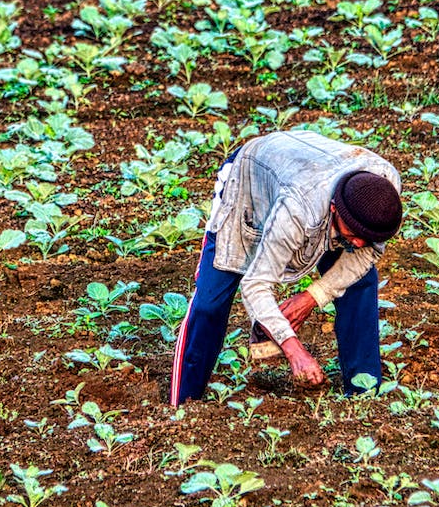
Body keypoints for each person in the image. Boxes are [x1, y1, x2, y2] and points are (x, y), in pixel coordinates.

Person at [169, 130, 403, 406]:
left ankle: (364, 394)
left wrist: (312, 297)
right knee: (211, 301)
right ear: (334, 209)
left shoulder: (384, 194)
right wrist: (294, 351)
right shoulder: (297, 211)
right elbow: (256, 284)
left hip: (307, 168)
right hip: (249, 181)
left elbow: (367, 255)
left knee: (359, 282)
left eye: (368, 236)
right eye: (352, 232)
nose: (360, 242)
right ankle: (184, 403)